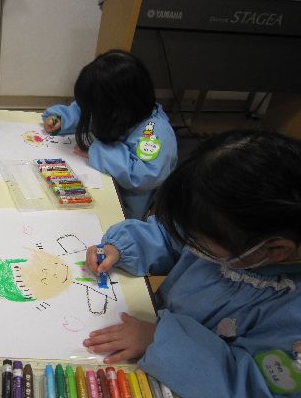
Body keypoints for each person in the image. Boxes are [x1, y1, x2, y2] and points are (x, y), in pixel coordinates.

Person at [83, 130, 301, 397]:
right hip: (150, 329)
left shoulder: (292, 316)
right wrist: (122, 247)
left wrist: (159, 340)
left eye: (200, 243)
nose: (191, 242)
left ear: (276, 249)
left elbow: (253, 387)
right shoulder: (228, 230)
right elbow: (170, 235)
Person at [42, 50, 177, 220]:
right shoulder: (114, 109)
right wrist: (63, 119)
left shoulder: (155, 133)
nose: (93, 114)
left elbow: (144, 176)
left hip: (124, 211)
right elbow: (84, 109)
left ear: (117, 108)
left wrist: (101, 152)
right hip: (97, 186)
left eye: (97, 110)